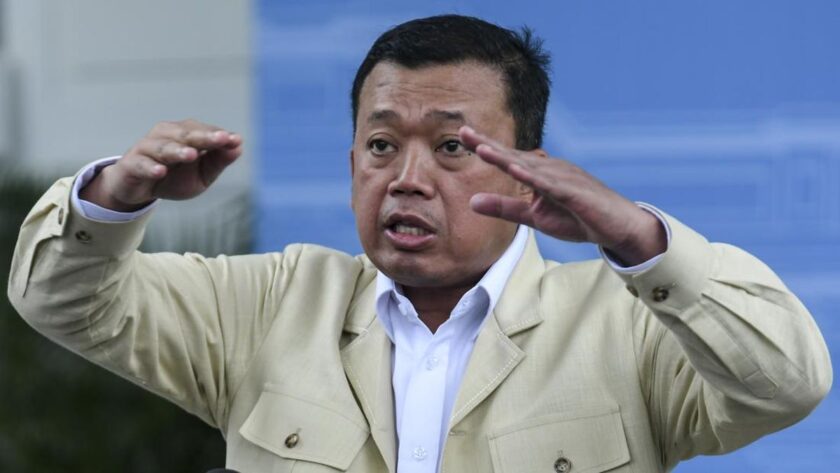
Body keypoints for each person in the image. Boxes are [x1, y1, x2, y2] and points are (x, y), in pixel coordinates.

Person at [8, 14, 832, 473]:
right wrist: (114, 197)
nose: (406, 178)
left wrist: (640, 239)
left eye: (451, 147)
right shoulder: (269, 305)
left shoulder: (623, 325)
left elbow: (788, 383)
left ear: (529, 167)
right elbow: (62, 300)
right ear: (351, 162)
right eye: (380, 145)